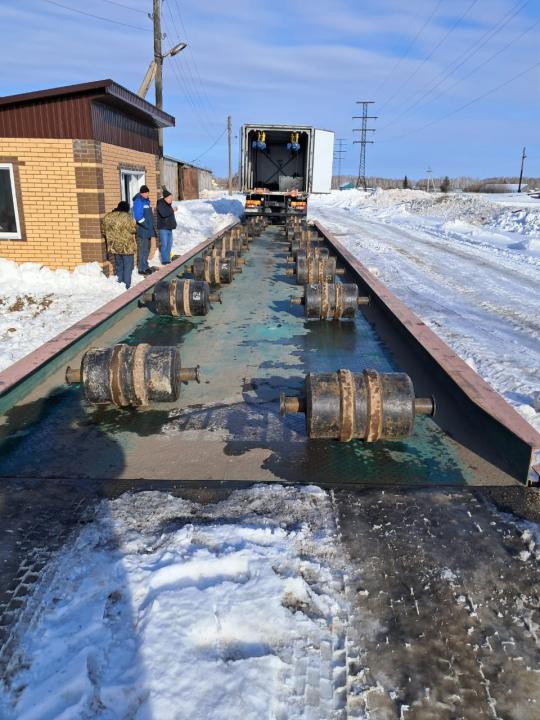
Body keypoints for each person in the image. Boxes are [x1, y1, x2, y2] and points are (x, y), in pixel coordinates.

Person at [102, 201, 137, 289]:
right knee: (128, 267)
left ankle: (119, 284)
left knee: (119, 266)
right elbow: (133, 229)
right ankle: (126, 286)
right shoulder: (127, 217)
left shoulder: (108, 216)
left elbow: (103, 230)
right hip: (127, 247)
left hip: (114, 246)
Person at [132, 184, 156, 275]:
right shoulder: (139, 201)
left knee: (146, 249)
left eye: (148, 193)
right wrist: (146, 225)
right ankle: (141, 269)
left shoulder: (146, 201)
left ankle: (145, 266)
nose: (147, 194)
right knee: (143, 249)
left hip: (147, 230)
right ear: (141, 193)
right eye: (145, 193)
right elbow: (138, 216)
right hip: (142, 229)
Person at [156, 188, 177, 264]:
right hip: (163, 228)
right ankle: (165, 260)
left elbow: (170, 215)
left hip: (169, 228)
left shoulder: (168, 205)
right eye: (170, 198)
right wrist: (172, 210)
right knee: (164, 244)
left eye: (172, 198)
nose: (171, 199)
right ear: (165, 198)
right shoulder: (160, 204)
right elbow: (164, 214)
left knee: (169, 244)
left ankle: (167, 259)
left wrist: (174, 224)